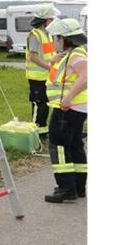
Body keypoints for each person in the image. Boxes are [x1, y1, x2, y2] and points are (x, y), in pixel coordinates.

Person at [43, 18, 87, 203]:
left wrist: (67, 99)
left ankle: (66, 189)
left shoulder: (76, 55)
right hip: (74, 107)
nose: (55, 40)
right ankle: (78, 187)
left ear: (64, 38)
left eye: (57, 37)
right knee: (74, 144)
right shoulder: (71, 54)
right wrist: (54, 61)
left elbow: (86, 78)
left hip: (68, 108)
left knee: (59, 146)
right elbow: (58, 79)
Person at [25, 3, 61, 138]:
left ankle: (43, 132)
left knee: (46, 104)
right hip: (36, 78)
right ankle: (35, 133)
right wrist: (49, 67)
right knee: (39, 105)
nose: (53, 22)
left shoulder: (48, 34)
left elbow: (49, 55)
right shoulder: (35, 35)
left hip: (46, 76)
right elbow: (33, 57)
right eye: (51, 19)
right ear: (45, 20)